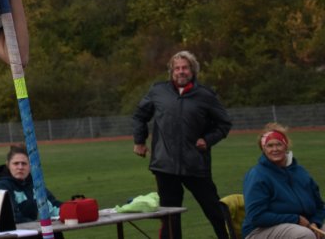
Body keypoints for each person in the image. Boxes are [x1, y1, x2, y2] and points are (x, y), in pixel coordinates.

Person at [132, 50, 232, 239]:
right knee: (170, 218)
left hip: (196, 164)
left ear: (193, 70)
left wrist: (208, 140)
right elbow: (139, 116)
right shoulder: (157, 91)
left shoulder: (206, 95)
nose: (181, 71)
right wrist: (139, 140)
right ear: (171, 71)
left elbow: (224, 124)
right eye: (176, 68)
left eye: (185, 68)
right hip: (165, 166)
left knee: (215, 211)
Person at [242, 123, 325, 239]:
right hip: (259, 230)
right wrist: (296, 219)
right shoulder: (257, 175)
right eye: (269, 146)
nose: (275, 149)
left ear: (286, 146)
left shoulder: (300, 172)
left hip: (303, 224)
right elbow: (256, 216)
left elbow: (319, 205)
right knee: (305, 234)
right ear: (263, 149)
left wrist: (315, 222)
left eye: (279, 144)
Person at [0, 143, 61, 224]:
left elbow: (54, 205)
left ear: (30, 166)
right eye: (16, 163)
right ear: (8, 165)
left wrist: (70, 207)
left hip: (34, 228)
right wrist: (37, 224)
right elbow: (12, 217)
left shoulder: (35, 185)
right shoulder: (1, 186)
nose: (20, 167)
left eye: (24, 164)